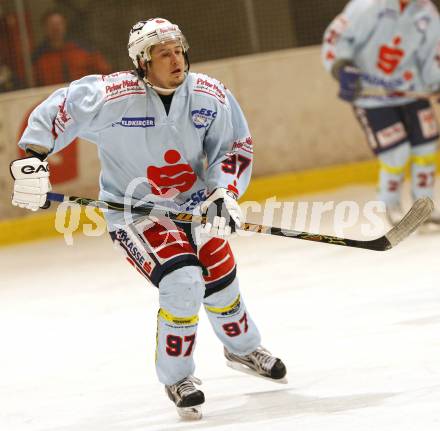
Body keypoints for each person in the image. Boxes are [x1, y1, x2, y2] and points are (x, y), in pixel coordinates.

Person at [10, 18, 286, 420]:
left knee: (220, 271)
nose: (176, 59)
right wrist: (33, 157)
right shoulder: (113, 95)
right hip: (136, 213)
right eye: (164, 54)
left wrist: (223, 192)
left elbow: (233, 148)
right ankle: (178, 377)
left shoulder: (210, 95)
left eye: (179, 50)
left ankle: (243, 349)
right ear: (143, 62)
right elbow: (62, 107)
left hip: (193, 207)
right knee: (183, 280)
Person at [322, 0, 440, 225]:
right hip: (371, 96)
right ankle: (390, 205)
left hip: (411, 90)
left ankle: (424, 206)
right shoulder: (369, 5)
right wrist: (341, 65)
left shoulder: (426, 12)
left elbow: (432, 56)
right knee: (396, 153)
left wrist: (437, 83)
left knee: (425, 148)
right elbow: (337, 37)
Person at [32, 9, 111, 86]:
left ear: (65, 25)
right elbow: (33, 84)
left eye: (59, 24)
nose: (56, 28)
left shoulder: (84, 48)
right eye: (51, 25)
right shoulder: (38, 56)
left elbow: (105, 73)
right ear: (44, 28)